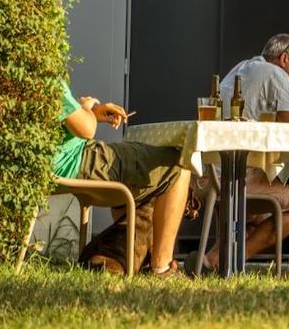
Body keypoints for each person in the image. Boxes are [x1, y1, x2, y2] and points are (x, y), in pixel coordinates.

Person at [189, 33, 289, 274]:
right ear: (283, 59)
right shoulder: (275, 74)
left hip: (205, 174)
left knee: (255, 217)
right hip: (233, 178)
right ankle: (225, 261)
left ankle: (210, 260)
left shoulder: (243, 67)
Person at [55, 81, 191, 277]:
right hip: (80, 162)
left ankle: (132, 257)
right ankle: (162, 268)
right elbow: (86, 129)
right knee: (179, 162)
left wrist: (93, 111)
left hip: (68, 164)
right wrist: (87, 108)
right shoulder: (44, 74)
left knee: (136, 160)